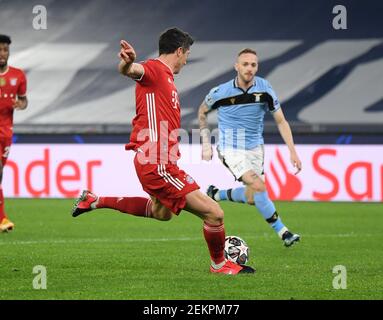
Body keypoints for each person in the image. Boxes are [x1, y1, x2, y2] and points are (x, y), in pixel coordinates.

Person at [71, 28, 254, 275]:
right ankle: (220, 265)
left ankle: (95, 200)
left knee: (161, 213)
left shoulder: (166, 78)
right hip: (156, 162)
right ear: (179, 51)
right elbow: (132, 71)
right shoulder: (155, 70)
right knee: (214, 213)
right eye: (187, 54)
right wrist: (127, 64)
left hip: (159, 160)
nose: (187, 60)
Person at [198, 48, 302, 247]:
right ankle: (284, 232)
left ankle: (216, 194)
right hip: (230, 148)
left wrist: (292, 151)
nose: (249, 68)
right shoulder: (220, 92)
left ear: (257, 67)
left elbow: (281, 121)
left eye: (253, 64)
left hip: (255, 149)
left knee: (253, 197)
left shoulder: (265, 89)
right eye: (245, 64)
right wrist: (205, 143)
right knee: (259, 186)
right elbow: (202, 112)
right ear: (236, 67)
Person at [0, 35, 28, 233]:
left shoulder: (18, 75)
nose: (2, 54)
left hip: (6, 132)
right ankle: (2, 219)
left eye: (5, 50)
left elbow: (24, 100)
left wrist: (21, 104)